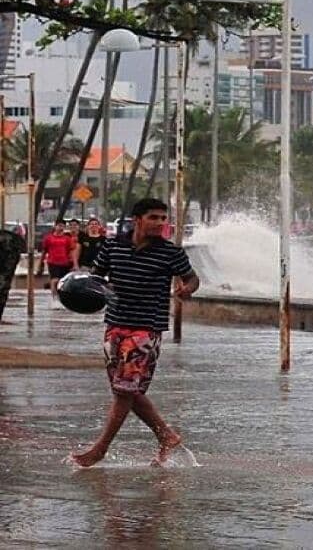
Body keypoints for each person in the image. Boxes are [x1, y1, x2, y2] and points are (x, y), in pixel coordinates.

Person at [70, 198, 200, 468]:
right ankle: (166, 435)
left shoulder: (170, 252)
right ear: (137, 220)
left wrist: (187, 289)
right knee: (126, 391)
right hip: (114, 326)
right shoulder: (112, 246)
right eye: (154, 217)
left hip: (145, 329)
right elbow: (97, 279)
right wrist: (83, 293)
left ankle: (100, 448)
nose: (161, 223)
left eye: (164, 218)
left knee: (125, 391)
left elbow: (192, 278)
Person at [39, 220, 76, 306]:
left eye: (63, 226)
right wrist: (40, 263)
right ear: (55, 226)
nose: (61, 228)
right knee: (54, 280)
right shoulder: (48, 238)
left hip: (64, 263)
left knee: (63, 282)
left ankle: (62, 299)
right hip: (52, 262)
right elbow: (44, 251)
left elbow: (72, 251)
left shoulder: (67, 239)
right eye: (59, 226)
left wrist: (74, 264)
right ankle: (55, 299)